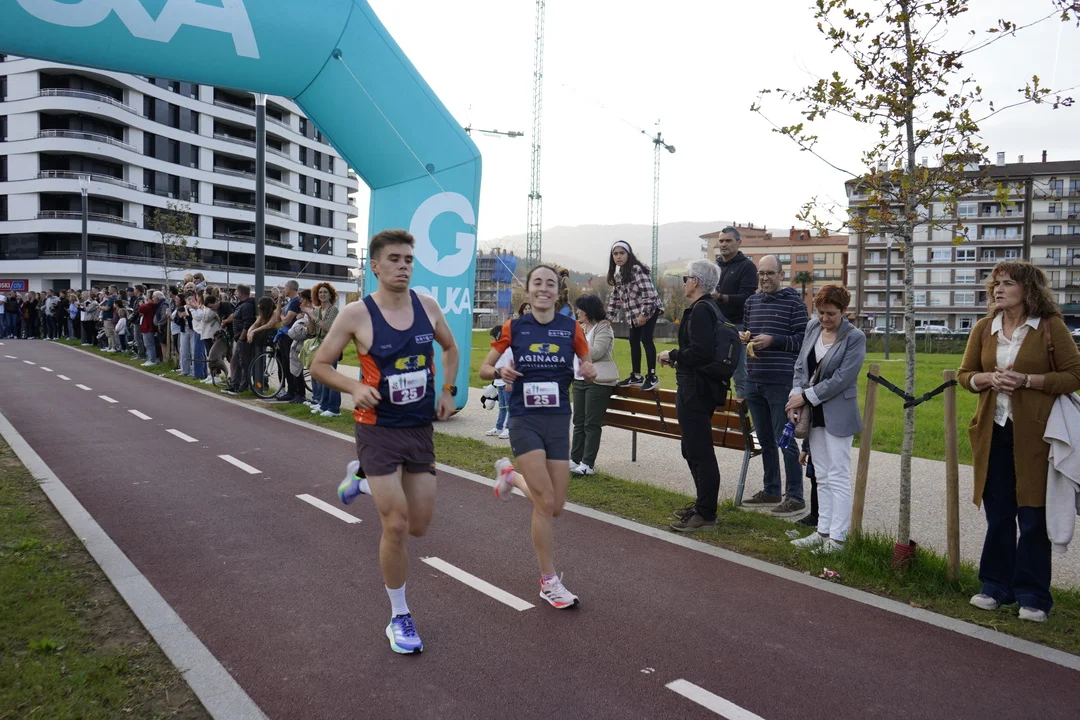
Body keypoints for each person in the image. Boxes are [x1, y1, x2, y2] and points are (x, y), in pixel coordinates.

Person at [313, 228, 459, 655]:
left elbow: (450, 349)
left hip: (419, 429)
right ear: (375, 266)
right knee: (394, 523)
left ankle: (360, 482)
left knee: (419, 526)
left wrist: (448, 390)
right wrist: (353, 387)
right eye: (394, 259)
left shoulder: (428, 307)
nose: (403, 266)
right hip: (376, 429)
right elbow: (321, 365)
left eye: (408, 259)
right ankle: (399, 616)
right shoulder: (356, 314)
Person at [958, 261, 1080, 622]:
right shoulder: (984, 328)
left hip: (1038, 436)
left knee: (1032, 516)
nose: (998, 289)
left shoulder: (1049, 326)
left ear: (1029, 290)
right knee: (998, 515)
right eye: (996, 283)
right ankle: (994, 586)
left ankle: (1033, 595)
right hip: (993, 431)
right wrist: (987, 379)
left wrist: (1027, 380)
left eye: (1008, 283)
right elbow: (965, 375)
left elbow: (1074, 375)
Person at [480, 264, 597, 609]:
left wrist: (589, 369)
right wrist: (500, 370)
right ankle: (549, 581)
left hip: (558, 421)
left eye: (550, 284)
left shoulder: (571, 328)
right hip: (524, 420)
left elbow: (587, 365)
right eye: (537, 283)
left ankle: (511, 477)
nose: (543, 288)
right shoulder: (513, 328)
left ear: (558, 292)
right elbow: (484, 369)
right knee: (544, 503)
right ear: (528, 291)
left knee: (555, 506)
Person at [785, 285, 866, 552]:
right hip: (813, 413)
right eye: (820, 312)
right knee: (821, 474)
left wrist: (806, 396)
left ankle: (838, 539)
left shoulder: (855, 337)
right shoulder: (812, 327)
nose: (824, 318)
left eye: (831, 313)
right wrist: (796, 394)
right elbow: (801, 365)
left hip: (838, 413)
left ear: (844, 311)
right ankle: (822, 532)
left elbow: (843, 378)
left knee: (838, 474)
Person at [661, 260, 729, 532]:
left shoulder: (702, 310)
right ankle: (703, 505)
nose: (684, 283)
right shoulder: (710, 308)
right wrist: (679, 359)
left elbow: (701, 352)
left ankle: (706, 513)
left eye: (686, 278)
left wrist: (672, 354)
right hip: (700, 386)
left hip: (696, 389)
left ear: (696, 281)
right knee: (691, 448)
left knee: (699, 450)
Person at [740, 255, 809, 516]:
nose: (764, 278)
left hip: (780, 382)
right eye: (761, 273)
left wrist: (774, 340)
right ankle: (771, 490)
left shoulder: (794, 302)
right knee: (765, 440)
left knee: (785, 439)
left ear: (781, 275)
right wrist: (745, 337)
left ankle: (795, 496)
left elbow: (803, 340)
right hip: (754, 379)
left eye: (770, 273)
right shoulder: (751, 302)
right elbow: (750, 332)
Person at [570, 293, 618, 476]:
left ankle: (588, 464)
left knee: (591, 424)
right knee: (578, 422)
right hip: (579, 380)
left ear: (588, 311)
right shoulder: (581, 327)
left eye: (580, 309)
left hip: (598, 381)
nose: (577, 312)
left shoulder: (603, 328)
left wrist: (576, 343)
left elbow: (596, 353)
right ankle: (575, 459)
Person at [606, 241, 663, 391]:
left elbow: (649, 295)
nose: (618, 257)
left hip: (649, 309)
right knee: (633, 341)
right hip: (633, 314)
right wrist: (608, 318)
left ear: (629, 254)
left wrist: (644, 314)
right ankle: (636, 376)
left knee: (646, 340)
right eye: (615, 254)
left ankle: (652, 376)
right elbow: (615, 299)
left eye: (622, 253)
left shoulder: (637, 270)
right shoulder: (619, 276)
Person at [712, 227, 758, 399]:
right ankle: (716, 412)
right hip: (715, 326)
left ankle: (741, 414)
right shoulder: (715, 266)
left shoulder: (747, 267)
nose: (723, 244)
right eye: (721, 241)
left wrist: (721, 297)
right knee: (714, 373)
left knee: (740, 376)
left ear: (739, 242)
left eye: (728, 240)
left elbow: (747, 297)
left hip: (737, 327)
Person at [307, 282, 341, 417]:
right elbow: (311, 331)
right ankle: (324, 405)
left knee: (331, 377)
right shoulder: (317, 310)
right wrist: (309, 316)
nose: (322, 294)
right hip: (320, 345)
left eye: (325, 292)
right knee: (323, 377)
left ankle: (334, 409)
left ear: (331, 295)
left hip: (331, 346)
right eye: (320, 292)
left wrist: (314, 317)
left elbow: (327, 327)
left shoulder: (334, 310)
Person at [224, 284, 257, 395]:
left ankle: (242, 386)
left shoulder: (246, 306)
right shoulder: (242, 304)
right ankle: (235, 385)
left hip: (243, 339)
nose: (235, 293)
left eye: (236, 291)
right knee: (236, 362)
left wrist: (242, 337)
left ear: (240, 293)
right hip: (239, 338)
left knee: (243, 363)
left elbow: (248, 322)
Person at [484, 325, 512, 440]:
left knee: (510, 407)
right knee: (502, 407)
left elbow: (509, 366)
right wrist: (494, 383)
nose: (492, 340)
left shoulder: (508, 350)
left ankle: (509, 428)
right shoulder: (498, 350)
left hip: (506, 383)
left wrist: (509, 382)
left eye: (493, 337)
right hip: (499, 383)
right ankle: (499, 427)